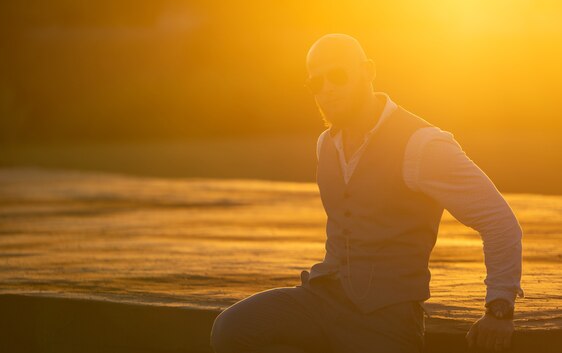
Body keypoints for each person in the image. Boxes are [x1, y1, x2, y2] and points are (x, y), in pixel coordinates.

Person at [209, 33, 524, 353]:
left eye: (338, 75)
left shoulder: (422, 145)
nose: (327, 88)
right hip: (321, 300)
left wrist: (499, 307)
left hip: (386, 318)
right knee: (232, 328)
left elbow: (498, 220)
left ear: (368, 71)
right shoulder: (327, 144)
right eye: (316, 82)